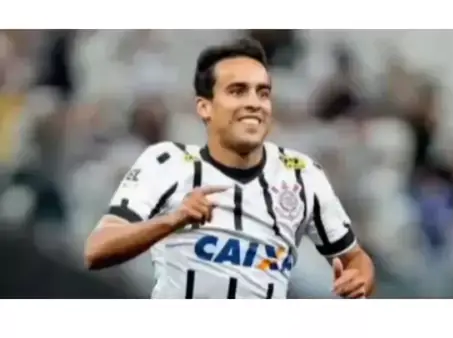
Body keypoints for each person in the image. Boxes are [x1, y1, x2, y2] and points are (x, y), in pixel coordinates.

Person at [84, 39, 375, 299]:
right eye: (237, 91)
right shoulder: (166, 162)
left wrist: (359, 278)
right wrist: (173, 221)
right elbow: (97, 250)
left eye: (262, 93)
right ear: (205, 107)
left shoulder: (302, 173)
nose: (254, 103)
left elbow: (355, 258)